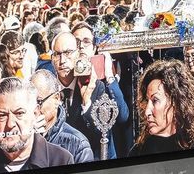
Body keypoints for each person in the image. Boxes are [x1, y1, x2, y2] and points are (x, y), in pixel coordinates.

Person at [44, 24, 130, 160]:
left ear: (78, 54)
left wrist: (87, 103)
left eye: (68, 53)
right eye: (57, 54)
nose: (62, 60)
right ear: (51, 58)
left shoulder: (96, 86)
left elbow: (103, 135)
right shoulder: (46, 88)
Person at [0, 77, 75, 174]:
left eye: (19, 113)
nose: (10, 124)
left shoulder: (61, 161)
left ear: (35, 114)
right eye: (3, 115)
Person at [134, 59, 194, 155]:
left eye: (155, 100)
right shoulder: (139, 151)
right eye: (147, 101)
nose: (147, 112)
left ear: (176, 102)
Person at [33, 69, 95, 165]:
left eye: (39, 102)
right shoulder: (23, 136)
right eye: (30, 102)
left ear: (56, 99)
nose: (34, 109)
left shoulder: (77, 143)